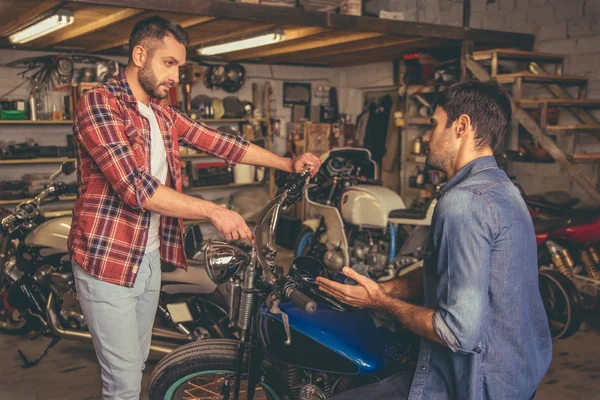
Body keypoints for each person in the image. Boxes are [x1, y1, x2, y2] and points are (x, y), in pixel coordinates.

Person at [68, 16, 321, 400]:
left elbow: (222, 142)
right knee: (121, 382)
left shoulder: (162, 113)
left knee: (135, 366)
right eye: (169, 63)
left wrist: (287, 164)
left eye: (180, 67)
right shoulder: (99, 104)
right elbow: (135, 187)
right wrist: (214, 210)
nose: (176, 76)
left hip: (147, 257)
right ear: (140, 55)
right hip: (108, 261)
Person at [318, 80, 552, 400]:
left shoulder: (463, 202)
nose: (426, 137)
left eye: (433, 125)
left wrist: (380, 302)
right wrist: (385, 287)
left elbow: (456, 333)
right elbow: (449, 269)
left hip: (473, 384)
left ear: (461, 126)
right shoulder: (504, 189)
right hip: (518, 372)